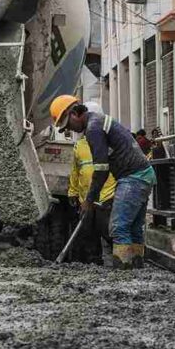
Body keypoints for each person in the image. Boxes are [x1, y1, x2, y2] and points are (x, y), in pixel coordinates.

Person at [50, 95, 156, 269]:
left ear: (75, 113)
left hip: (132, 177)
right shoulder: (97, 122)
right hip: (143, 174)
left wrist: (89, 201)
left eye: (68, 124)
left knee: (118, 227)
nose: (71, 129)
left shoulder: (93, 129)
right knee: (134, 228)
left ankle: (124, 272)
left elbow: (101, 169)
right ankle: (138, 271)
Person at [67, 102, 116, 265]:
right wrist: (73, 192)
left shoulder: (106, 140)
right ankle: (94, 265)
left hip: (105, 196)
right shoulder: (79, 146)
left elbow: (107, 168)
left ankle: (121, 263)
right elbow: (76, 170)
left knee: (108, 231)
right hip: (86, 198)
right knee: (89, 235)